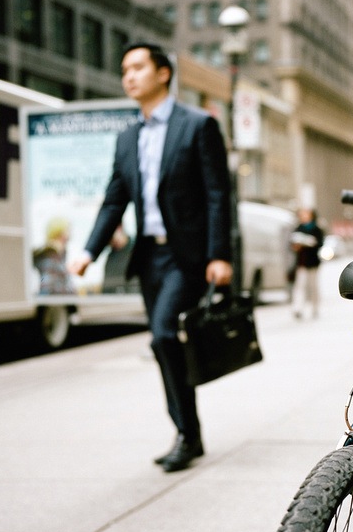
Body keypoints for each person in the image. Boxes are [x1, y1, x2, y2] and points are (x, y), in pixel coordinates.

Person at [68, 42, 233, 472]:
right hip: (150, 260)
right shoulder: (127, 138)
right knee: (164, 345)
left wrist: (219, 255)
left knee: (162, 334)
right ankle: (188, 432)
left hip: (187, 256)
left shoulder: (198, 126)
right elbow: (113, 201)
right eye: (125, 69)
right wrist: (89, 250)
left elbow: (219, 195)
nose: (129, 76)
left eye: (138, 67)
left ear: (163, 73)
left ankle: (185, 432)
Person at [290, 208, 324, 319]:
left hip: (313, 262)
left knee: (313, 286)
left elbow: (320, 244)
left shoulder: (316, 229)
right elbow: (292, 244)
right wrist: (297, 246)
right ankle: (298, 308)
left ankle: (315, 308)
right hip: (301, 263)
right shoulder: (298, 228)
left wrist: (311, 243)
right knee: (300, 286)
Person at [34, 217, 76, 295]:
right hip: (57, 306)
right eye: (68, 229)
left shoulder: (59, 256)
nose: (71, 233)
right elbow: (46, 288)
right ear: (60, 231)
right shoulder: (50, 257)